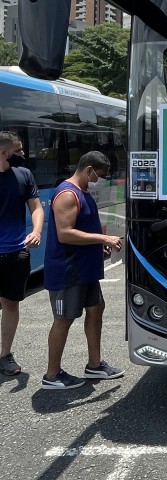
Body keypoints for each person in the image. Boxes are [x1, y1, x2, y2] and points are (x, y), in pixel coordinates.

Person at [42, 151, 123, 389]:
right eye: (100, 175)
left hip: (85, 268)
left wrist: (99, 247)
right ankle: (52, 375)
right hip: (68, 270)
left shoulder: (84, 192)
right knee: (64, 319)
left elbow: (83, 228)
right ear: (88, 170)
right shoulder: (67, 194)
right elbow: (65, 233)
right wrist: (102, 238)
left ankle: (95, 365)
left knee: (96, 308)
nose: (102, 180)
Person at [0, 132, 44, 376]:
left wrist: (36, 230)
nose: (23, 156)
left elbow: (36, 207)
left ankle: (5, 354)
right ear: (4, 153)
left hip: (16, 253)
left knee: (10, 304)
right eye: (19, 151)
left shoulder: (24, 175)